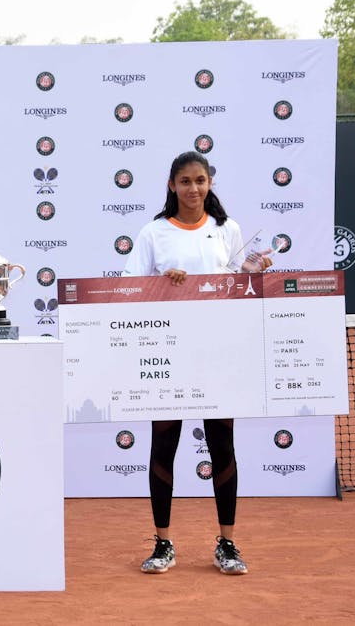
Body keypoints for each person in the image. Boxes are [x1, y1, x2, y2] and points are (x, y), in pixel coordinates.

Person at [122, 151, 272, 576]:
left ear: (209, 185)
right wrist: (159, 281)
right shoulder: (153, 233)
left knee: (222, 445)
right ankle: (163, 544)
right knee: (163, 446)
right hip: (168, 355)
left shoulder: (228, 229)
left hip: (217, 355)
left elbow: (234, 281)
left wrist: (253, 270)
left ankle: (227, 543)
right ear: (172, 186)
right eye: (185, 181)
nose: (193, 188)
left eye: (200, 180)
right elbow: (130, 288)